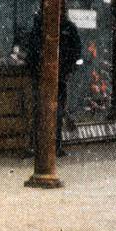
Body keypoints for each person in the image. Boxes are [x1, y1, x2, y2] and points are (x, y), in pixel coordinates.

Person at [24, 10, 82, 156]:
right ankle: (54, 146)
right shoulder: (67, 28)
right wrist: (68, 69)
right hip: (58, 76)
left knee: (41, 110)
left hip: (46, 76)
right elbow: (76, 51)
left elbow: (31, 52)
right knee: (56, 111)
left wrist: (35, 70)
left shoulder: (40, 28)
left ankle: (40, 145)